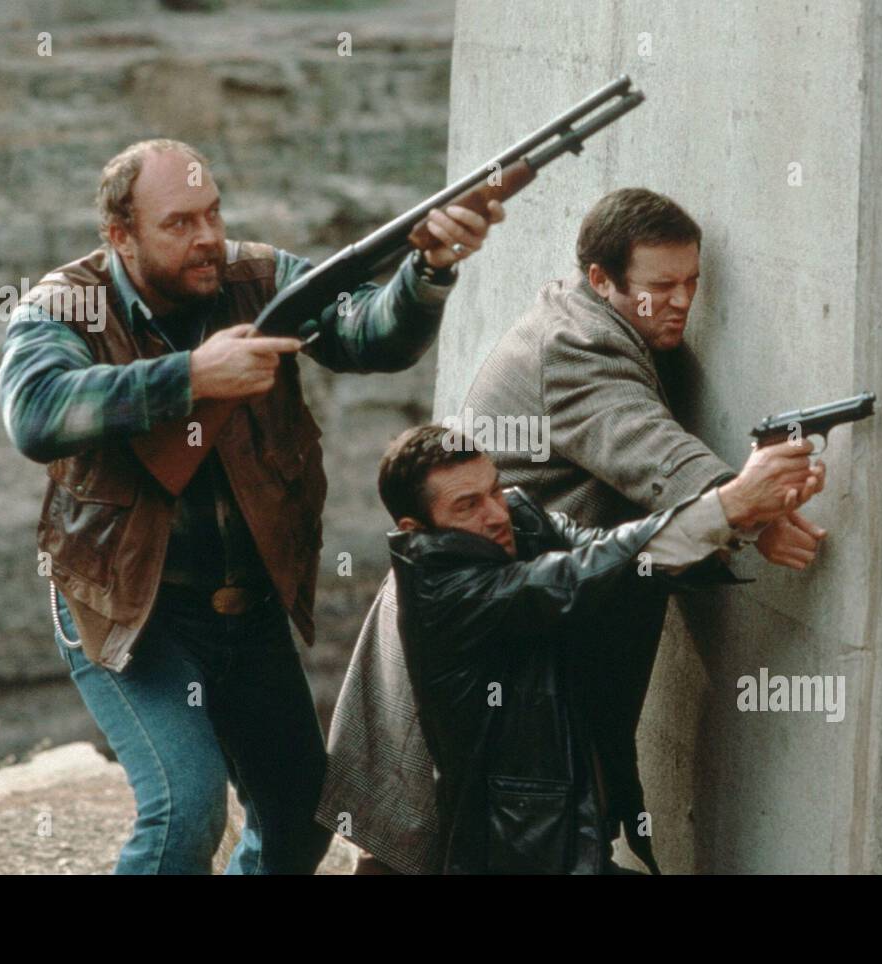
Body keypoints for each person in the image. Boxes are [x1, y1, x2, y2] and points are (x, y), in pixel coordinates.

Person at [0, 137, 502, 874]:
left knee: (301, 817)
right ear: (119, 236)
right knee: (184, 811)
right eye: (178, 223)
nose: (207, 238)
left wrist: (428, 270)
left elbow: (370, 336)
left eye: (213, 213)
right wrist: (192, 376)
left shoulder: (261, 278)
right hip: (130, 611)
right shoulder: (64, 304)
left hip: (246, 607)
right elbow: (35, 416)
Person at [316, 187, 826, 873]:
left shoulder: (597, 334)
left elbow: (602, 547)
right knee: (417, 850)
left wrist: (744, 515)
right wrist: (740, 502)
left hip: (506, 651)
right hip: (476, 647)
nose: (680, 301)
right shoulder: (579, 347)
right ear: (600, 280)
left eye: (692, 283)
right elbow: (648, 452)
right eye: (660, 286)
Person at [378, 425, 805, 873]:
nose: (496, 514)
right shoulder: (444, 591)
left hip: (573, 839)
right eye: (467, 506)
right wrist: (732, 501)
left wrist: (749, 519)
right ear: (415, 529)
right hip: (522, 855)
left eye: (494, 490)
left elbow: (615, 558)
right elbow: (579, 575)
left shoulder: (522, 524)